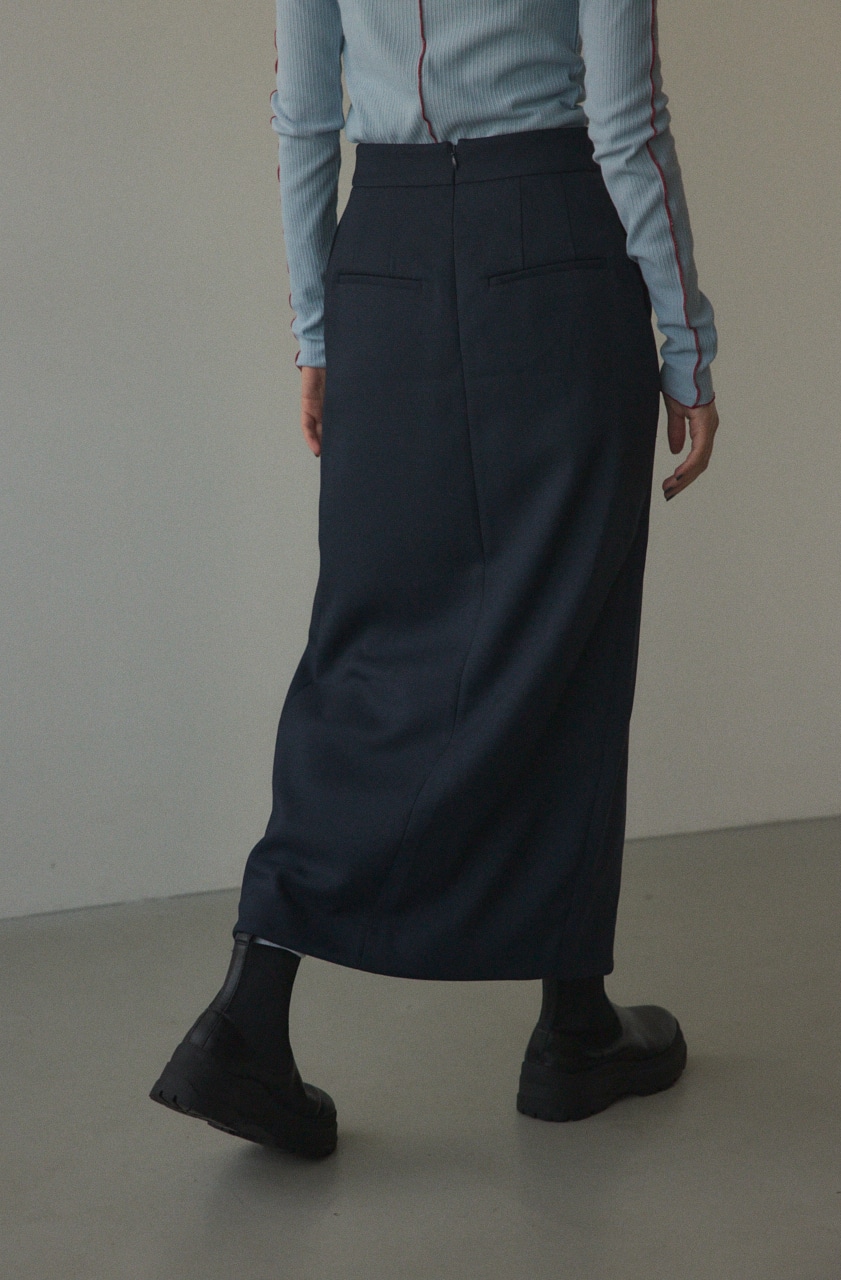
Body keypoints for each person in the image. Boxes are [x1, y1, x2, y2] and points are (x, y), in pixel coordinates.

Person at [150, 0, 720, 1160]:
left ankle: (252, 1010)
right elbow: (626, 119)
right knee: (569, 622)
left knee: (366, 641)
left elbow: (302, 112)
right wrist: (687, 341)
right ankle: (571, 1031)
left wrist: (319, 330)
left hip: (385, 252)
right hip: (553, 241)